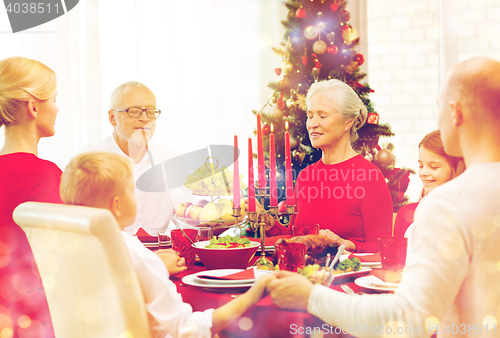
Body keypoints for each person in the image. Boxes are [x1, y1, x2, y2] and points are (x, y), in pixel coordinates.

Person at [267, 56, 500, 338]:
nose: (313, 123)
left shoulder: (447, 205)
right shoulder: (458, 200)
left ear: (455, 113)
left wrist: (311, 297)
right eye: (310, 115)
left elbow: (408, 319)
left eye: (439, 108)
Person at [59, 152, 272, 338]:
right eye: (131, 190)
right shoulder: (133, 253)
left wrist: (158, 265)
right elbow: (187, 329)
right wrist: (253, 294)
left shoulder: (69, 249)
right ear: (117, 205)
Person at [263, 79, 393, 253]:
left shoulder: (370, 178)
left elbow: (382, 250)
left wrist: (347, 244)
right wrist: (268, 223)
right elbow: (295, 238)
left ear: (348, 122)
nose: (312, 124)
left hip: (346, 277)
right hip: (305, 276)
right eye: (310, 116)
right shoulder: (306, 176)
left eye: (322, 116)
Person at [0, 56, 60, 337]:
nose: (58, 109)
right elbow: (64, 264)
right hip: (34, 320)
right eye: (55, 99)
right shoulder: (46, 175)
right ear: (34, 107)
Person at [82, 81, 189, 235]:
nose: (145, 118)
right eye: (135, 111)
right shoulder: (88, 161)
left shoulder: (170, 160)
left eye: (151, 111)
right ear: (112, 117)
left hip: (157, 258)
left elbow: (190, 222)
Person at [393, 130, 464, 237]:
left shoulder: (465, 216)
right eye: (421, 166)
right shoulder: (407, 213)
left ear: (456, 168)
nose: (423, 173)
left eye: (433, 167)